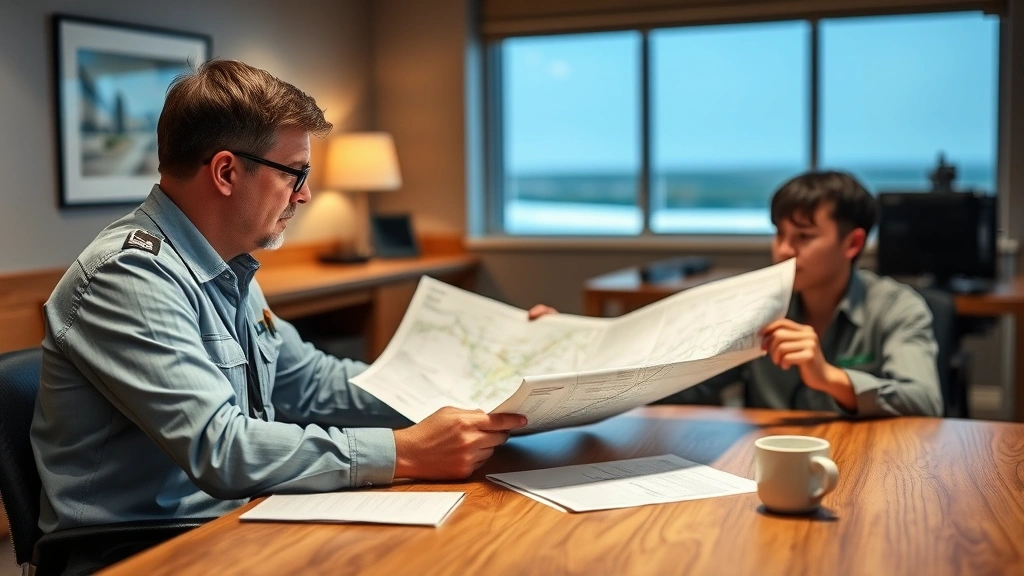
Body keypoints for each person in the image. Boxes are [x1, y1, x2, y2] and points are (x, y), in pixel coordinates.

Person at [30, 59, 526, 554]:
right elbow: (221, 448)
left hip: (235, 523)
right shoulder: (128, 276)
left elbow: (313, 382)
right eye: (295, 173)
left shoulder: (229, 265)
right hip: (139, 552)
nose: (305, 194)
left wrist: (476, 389)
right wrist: (405, 453)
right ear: (226, 171)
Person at [531, 171, 943, 417]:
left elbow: (925, 401)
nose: (783, 250)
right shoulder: (757, 305)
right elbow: (686, 382)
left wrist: (831, 378)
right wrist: (570, 347)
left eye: (803, 236)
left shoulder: (897, 307)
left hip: (866, 466)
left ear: (852, 244)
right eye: (779, 234)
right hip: (765, 466)